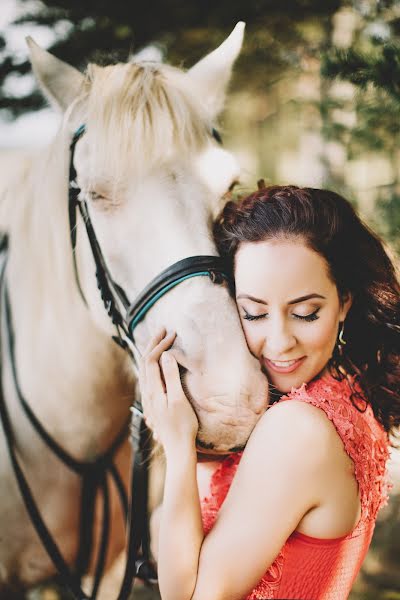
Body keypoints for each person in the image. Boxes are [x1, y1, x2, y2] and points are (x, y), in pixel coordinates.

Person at [138, 185, 400, 600]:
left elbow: (185, 596)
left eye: (304, 313)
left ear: (344, 301)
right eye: (254, 313)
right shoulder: (352, 388)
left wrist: (178, 444)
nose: (279, 343)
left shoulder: (297, 429)